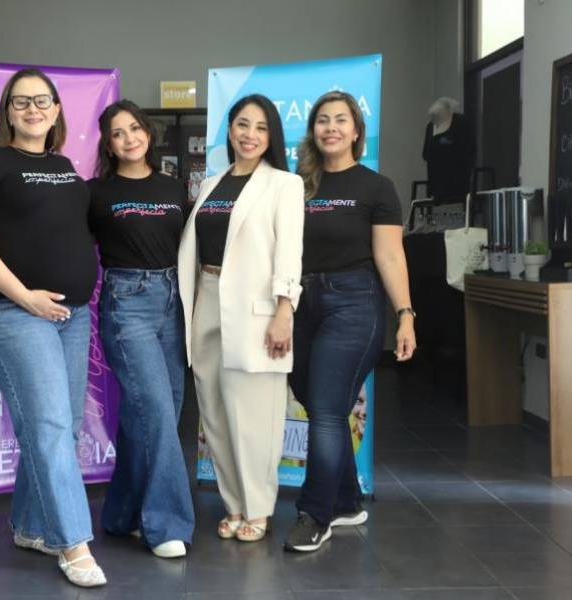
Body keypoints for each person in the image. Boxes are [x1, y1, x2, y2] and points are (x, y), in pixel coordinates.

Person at [0, 68, 106, 587]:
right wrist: (27, 297)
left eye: (42, 101)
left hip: (71, 315)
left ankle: (29, 525)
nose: (32, 109)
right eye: (21, 102)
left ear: (57, 109)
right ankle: (74, 544)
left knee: (60, 426)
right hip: (13, 313)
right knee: (48, 427)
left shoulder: (64, 166)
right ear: (7, 111)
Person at [284, 90, 416, 553]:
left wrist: (405, 315)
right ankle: (345, 501)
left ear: (357, 131)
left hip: (354, 302)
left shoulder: (376, 187)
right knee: (316, 400)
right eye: (323, 120)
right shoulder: (297, 185)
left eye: (341, 119)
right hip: (301, 302)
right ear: (313, 131)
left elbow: (390, 255)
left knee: (325, 408)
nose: (331, 127)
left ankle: (314, 514)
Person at [178, 94, 304, 542]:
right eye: (242, 125)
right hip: (207, 300)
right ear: (229, 130)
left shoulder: (284, 184)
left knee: (255, 418)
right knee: (214, 413)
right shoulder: (211, 184)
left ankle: (259, 508)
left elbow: (289, 252)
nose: (250, 135)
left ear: (272, 136)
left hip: (258, 312)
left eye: (261, 127)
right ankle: (233, 504)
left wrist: (284, 310)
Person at [88, 99, 194, 559]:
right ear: (108, 145)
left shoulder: (173, 187)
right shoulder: (96, 193)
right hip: (127, 303)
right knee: (156, 411)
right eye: (118, 133)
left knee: (153, 413)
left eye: (135, 128)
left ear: (148, 133)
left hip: (174, 301)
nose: (129, 138)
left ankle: (122, 513)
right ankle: (167, 524)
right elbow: (65, 242)